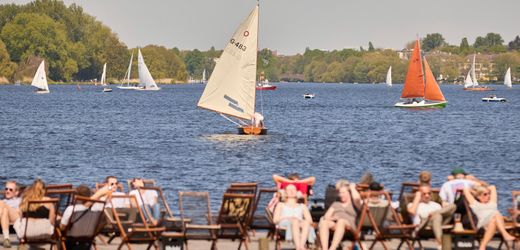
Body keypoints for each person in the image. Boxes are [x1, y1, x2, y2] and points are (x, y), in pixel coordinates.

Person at [463, 185, 516, 250]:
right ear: (478, 196)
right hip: (484, 225)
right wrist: (475, 192)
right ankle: (505, 234)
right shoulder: (475, 204)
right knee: (496, 215)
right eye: (485, 194)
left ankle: (482, 247)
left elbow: (492, 187)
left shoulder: (492, 202)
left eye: (489, 194)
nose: (488, 195)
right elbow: (465, 189)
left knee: (496, 216)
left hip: (497, 223)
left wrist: (483, 190)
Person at [60, 185, 110, 249]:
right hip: (88, 237)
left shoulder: (71, 209)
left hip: (71, 238)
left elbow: (62, 227)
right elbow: (104, 222)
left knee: (58, 229)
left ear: (75, 196)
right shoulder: (95, 210)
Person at [407, 185, 456, 250]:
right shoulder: (413, 205)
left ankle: (434, 214)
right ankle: (441, 243)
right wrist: (417, 197)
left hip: (439, 225)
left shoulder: (436, 205)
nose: (427, 196)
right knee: (437, 216)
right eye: (424, 194)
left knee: (453, 206)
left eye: (429, 193)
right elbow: (411, 212)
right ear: (419, 194)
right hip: (423, 227)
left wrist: (444, 205)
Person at [319, 180, 361, 250]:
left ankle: (332, 248)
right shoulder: (336, 204)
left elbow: (357, 198)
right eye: (340, 193)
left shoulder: (355, 204)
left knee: (341, 221)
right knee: (324, 222)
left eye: (343, 193)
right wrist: (332, 218)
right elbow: (326, 216)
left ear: (349, 193)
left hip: (351, 227)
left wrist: (352, 188)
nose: (341, 195)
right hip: (337, 225)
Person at [273, 184, 315, 250]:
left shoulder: (302, 206)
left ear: (296, 192)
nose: (292, 191)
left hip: (299, 223)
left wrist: (299, 220)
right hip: (285, 224)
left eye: (293, 189)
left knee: (305, 222)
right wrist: (288, 217)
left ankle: (301, 246)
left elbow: (310, 221)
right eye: (289, 190)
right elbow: (275, 220)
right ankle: (299, 247)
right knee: (294, 221)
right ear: (285, 193)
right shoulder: (281, 205)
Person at [0, 181, 21, 248]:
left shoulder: (19, 200)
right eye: (6, 189)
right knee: (5, 210)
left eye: (10, 189)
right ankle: (6, 239)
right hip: (4, 218)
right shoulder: (3, 201)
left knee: (3, 205)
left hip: (16, 218)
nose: (7, 191)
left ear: (16, 192)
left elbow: (20, 212)